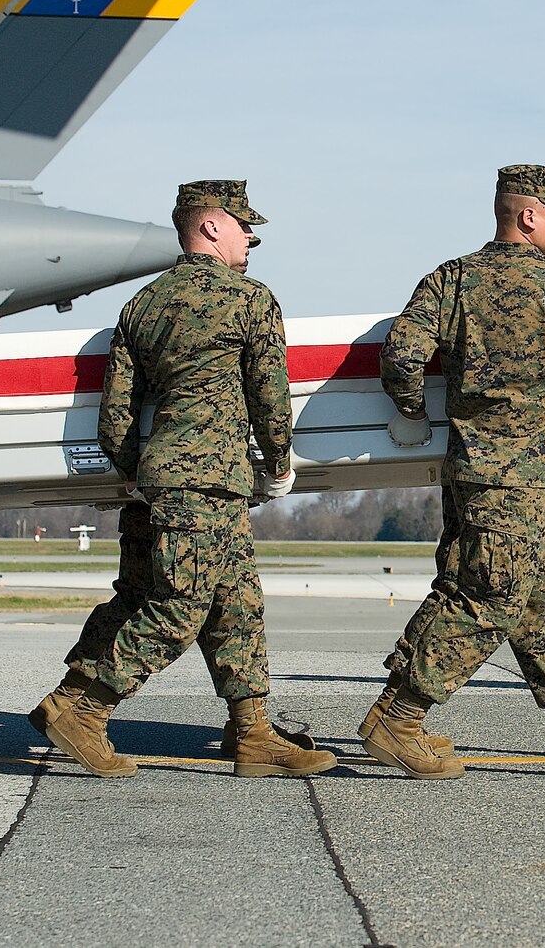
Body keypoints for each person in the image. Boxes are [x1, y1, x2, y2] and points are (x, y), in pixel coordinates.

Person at [30, 181, 335, 779]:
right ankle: (81, 706)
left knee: (237, 603)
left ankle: (252, 733)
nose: (252, 237)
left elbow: (115, 415)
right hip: (212, 479)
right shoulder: (249, 299)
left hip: (163, 477)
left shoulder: (142, 304)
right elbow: (269, 395)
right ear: (212, 226)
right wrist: (278, 463)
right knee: (180, 606)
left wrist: (141, 475)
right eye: (245, 226)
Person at [364, 165, 545, 780]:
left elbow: (401, 355)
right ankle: (397, 715)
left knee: (543, 595)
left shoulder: (453, 278)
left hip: (475, 467)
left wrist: (418, 410)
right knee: (488, 593)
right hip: (526, 471)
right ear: (527, 216)